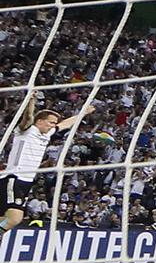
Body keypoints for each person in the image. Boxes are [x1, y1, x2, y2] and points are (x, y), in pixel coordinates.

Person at [2, 95, 97, 238]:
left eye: (54, 123)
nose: (53, 125)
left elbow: (66, 123)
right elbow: (27, 118)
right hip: (15, 177)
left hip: (26, 181)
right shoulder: (26, 130)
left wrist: (83, 113)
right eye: (50, 122)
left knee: (5, 218)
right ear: (39, 121)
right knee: (15, 218)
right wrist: (31, 103)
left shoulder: (47, 134)